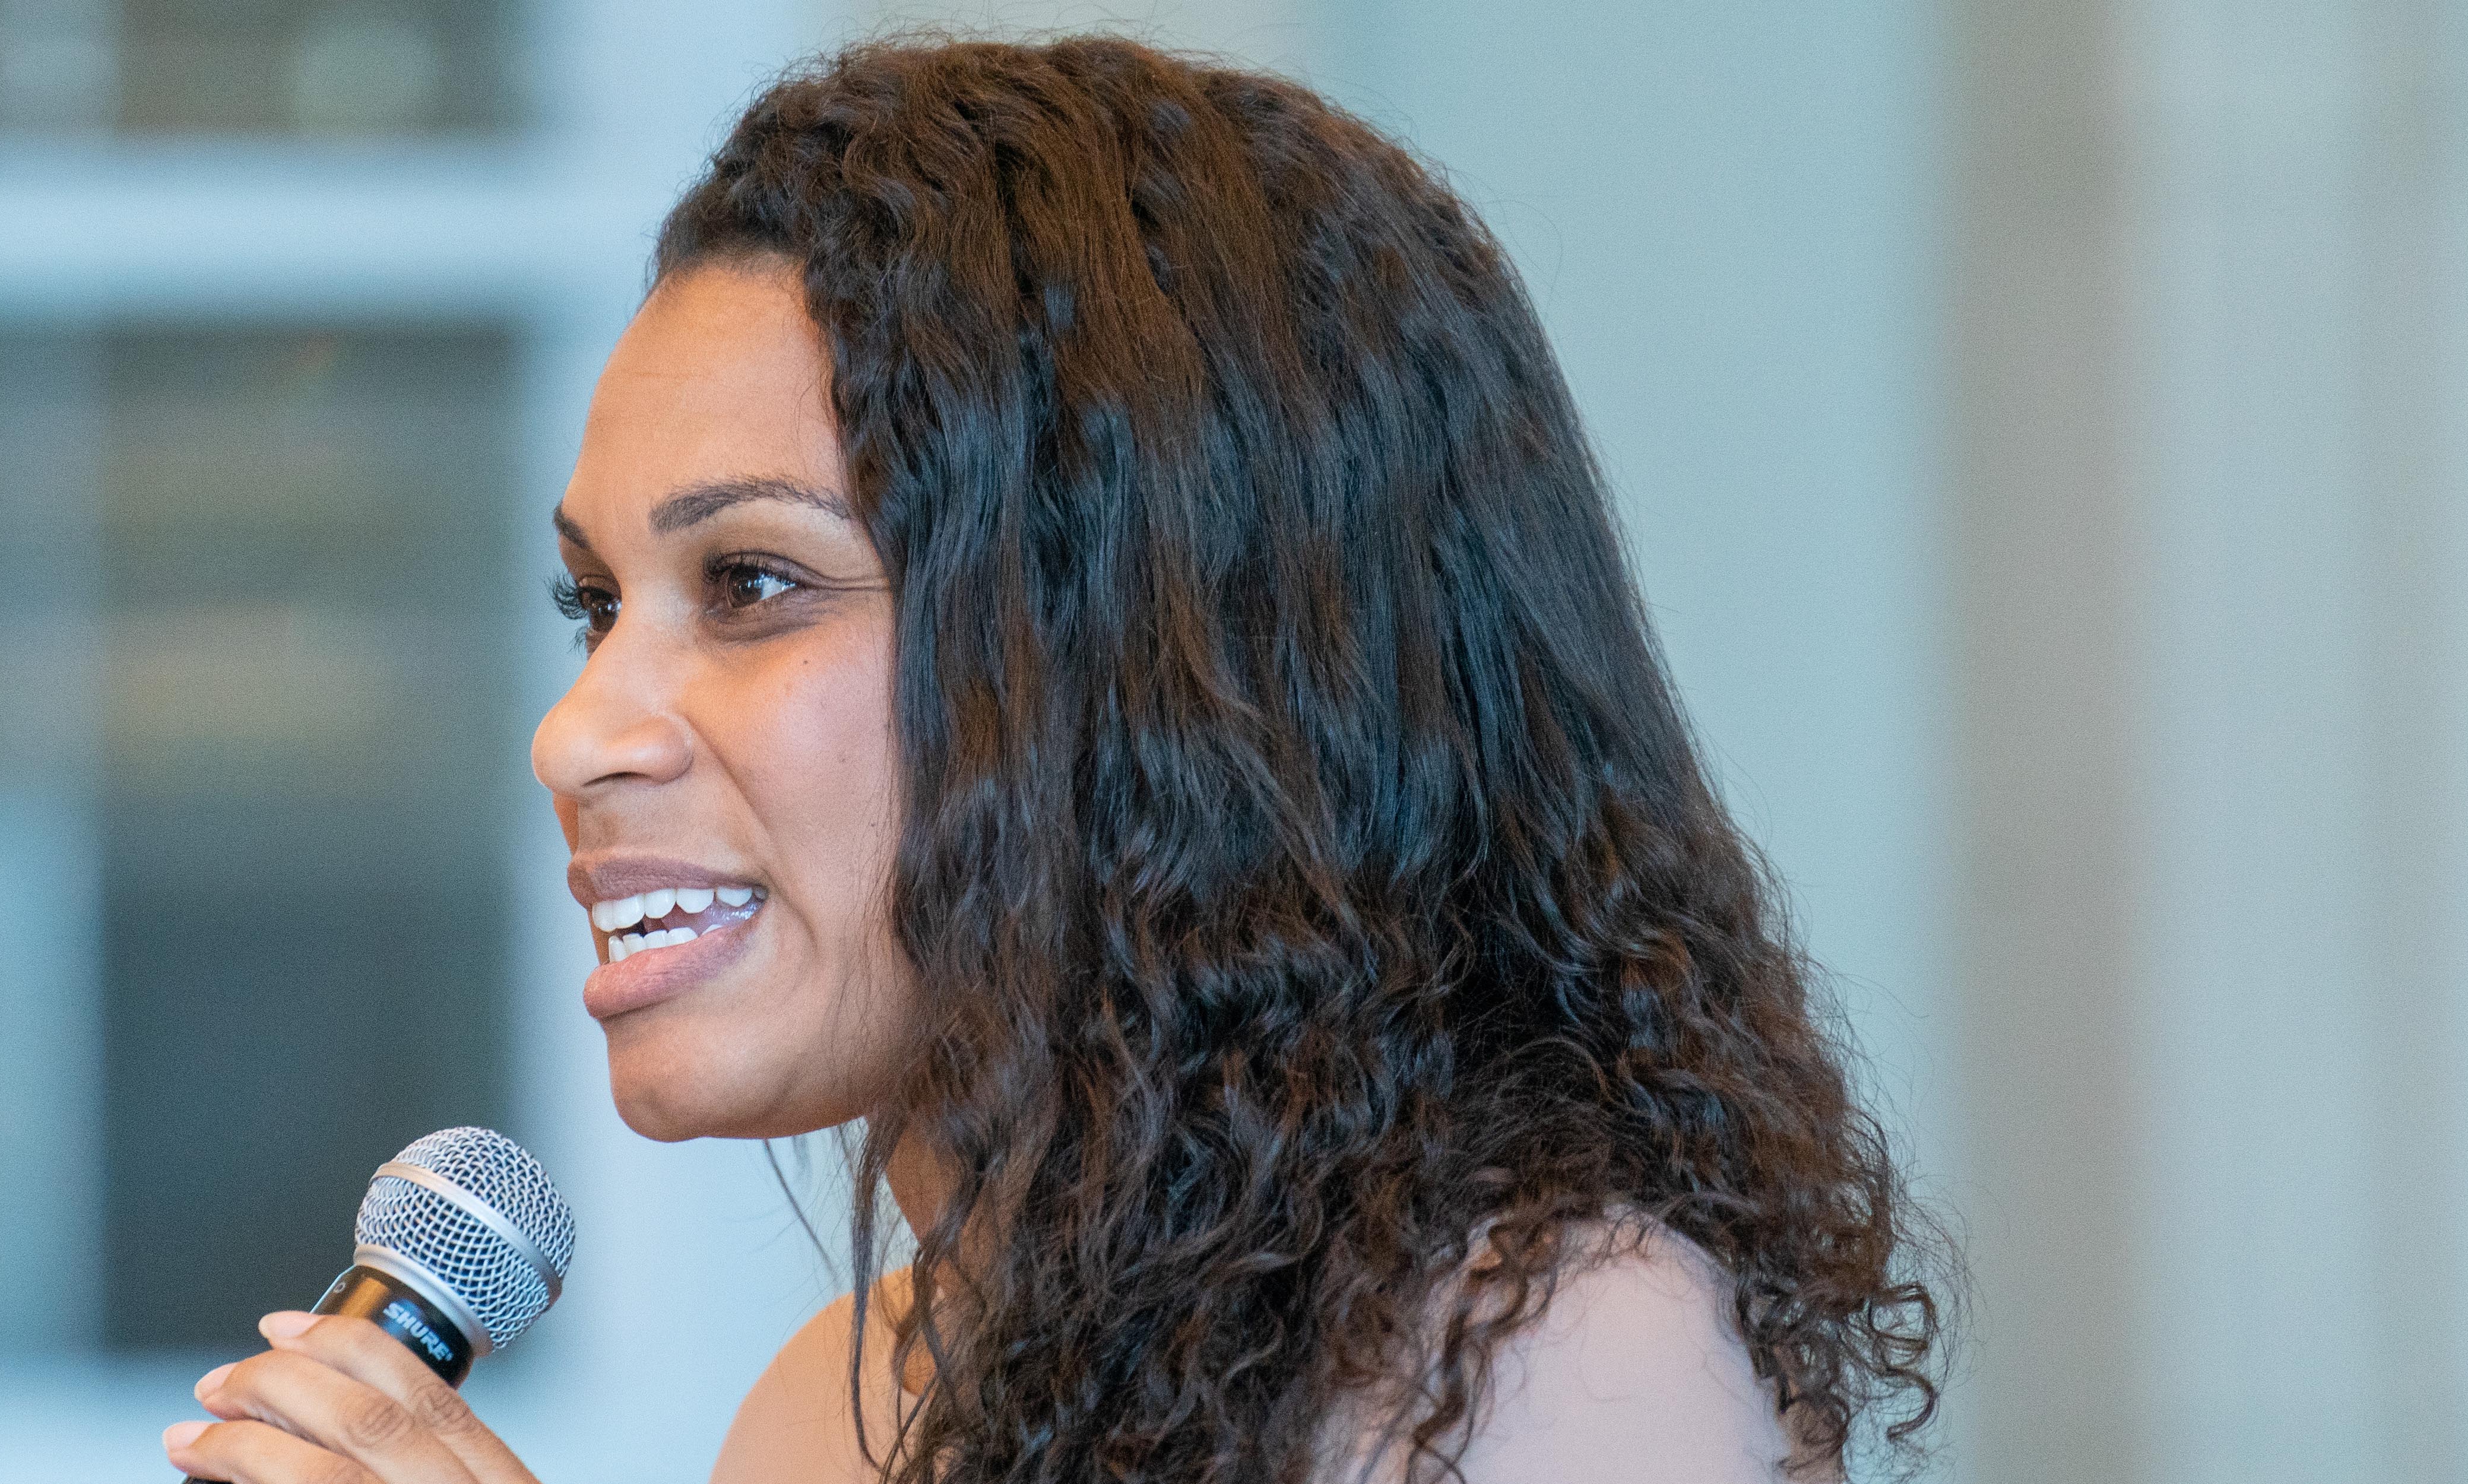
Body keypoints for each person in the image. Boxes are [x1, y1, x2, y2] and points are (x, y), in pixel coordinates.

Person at [162, 36, 1944, 1484]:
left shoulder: (1550, 1347)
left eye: (754, 582)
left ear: (1148, 653)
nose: (585, 728)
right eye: (596, 602)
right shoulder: (826, 1412)